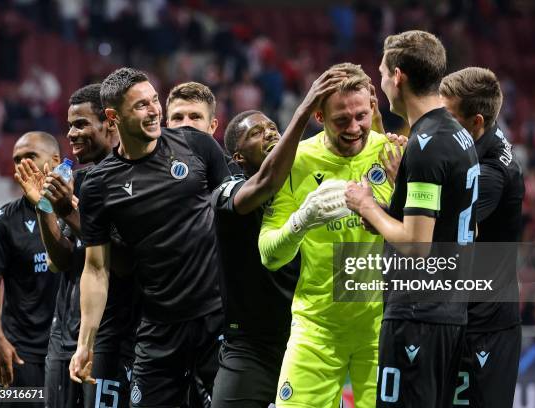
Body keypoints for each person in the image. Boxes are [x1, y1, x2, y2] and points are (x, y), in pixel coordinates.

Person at [69, 68, 230, 407]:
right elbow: (96, 269)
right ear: (114, 117)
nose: (155, 110)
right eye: (141, 105)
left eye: (155, 100)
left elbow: (233, 221)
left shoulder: (197, 146)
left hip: (216, 317)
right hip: (158, 328)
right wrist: (86, 342)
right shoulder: (99, 185)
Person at [344, 30, 479, 408]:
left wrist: (365, 204)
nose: (382, 82)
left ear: (398, 76)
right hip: (449, 314)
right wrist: (398, 194)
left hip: (417, 315)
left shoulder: (426, 145)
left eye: (383, 73)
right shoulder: (456, 136)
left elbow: (416, 246)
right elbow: (447, 221)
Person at [258, 62, 394, 407]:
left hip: (381, 328)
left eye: (361, 116)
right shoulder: (297, 161)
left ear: (373, 107)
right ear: (318, 117)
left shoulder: (394, 155)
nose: (353, 128)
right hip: (316, 329)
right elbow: (269, 255)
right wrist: (302, 221)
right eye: (341, 120)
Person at [211, 68, 348, 408]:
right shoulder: (228, 193)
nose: (269, 133)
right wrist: (303, 110)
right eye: (257, 133)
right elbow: (268, 181)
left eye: (272, 127)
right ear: (238, 157)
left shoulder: (307, 190)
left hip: (306, 338)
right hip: (249, 348)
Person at [16, 83, 137, 408]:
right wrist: (45, 208)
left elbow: (125, 261)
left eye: (81, 123)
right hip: (64, 335)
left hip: (112, 335)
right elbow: (60, 262)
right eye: (70, 124)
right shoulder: (77, 180)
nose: (71, 133)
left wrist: (68, 211)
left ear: (109, 123)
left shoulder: (132, 182)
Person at [439, 67, 524, 408]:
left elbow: (444, 233)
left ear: (475, 122)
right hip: (465, 315)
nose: (439, 126)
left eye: (448, 118)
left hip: (484, 327)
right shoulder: (481, 142)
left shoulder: (492, 174)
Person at [0, 131, 61, 407]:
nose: (22, 163)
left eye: (30, 156)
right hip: (20, 353)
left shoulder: (77, 209)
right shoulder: (5, 218)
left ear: (55, 160)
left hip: (66, 349)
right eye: (17, 159)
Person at [166, 81, 240, 174]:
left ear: (212, 127)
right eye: (178, 118)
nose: (185, 124)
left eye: (195, 117)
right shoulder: (152, 169)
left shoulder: (233, 173)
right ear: (168, 126)